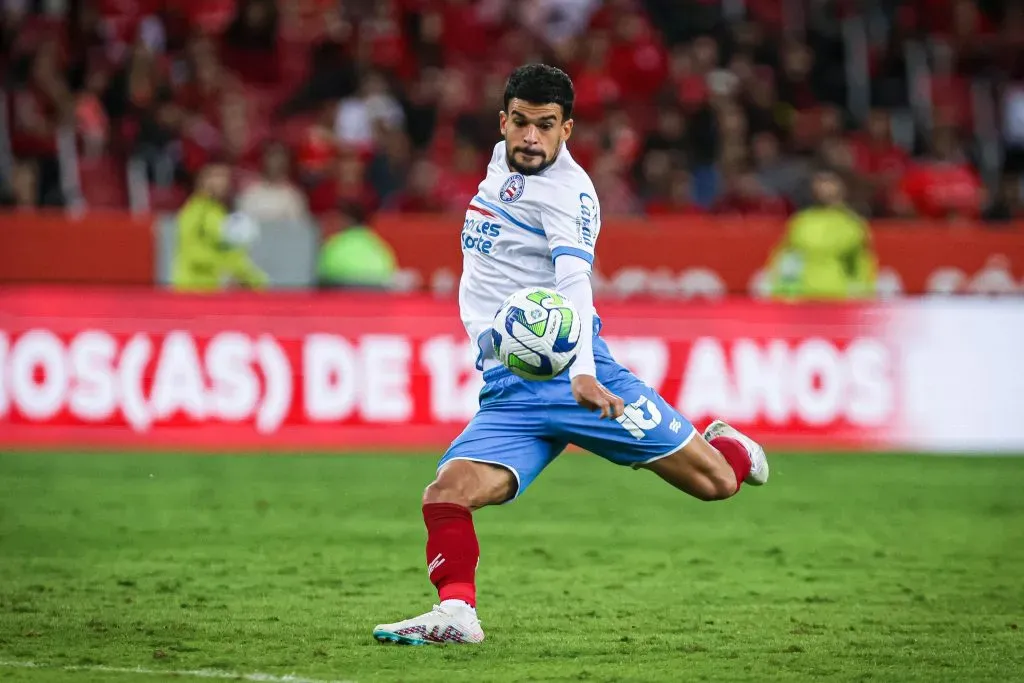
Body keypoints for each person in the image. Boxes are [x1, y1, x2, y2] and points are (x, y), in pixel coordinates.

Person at [372, 65, 769, 646]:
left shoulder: (569, 194)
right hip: (509, 385)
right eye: (522, 123)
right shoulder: (502, 160)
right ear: (504, 121)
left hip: (576, 377)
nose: (531, 137)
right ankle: (456, 615)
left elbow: (575, 283)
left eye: (546, 126)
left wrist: (582, 373)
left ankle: (730, 447)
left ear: (567, 130)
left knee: (714, 486)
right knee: (446, 492)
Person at [767, 168, 877, 300]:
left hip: (839, 296)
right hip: (803, 296)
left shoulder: (852, 225)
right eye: (821, 181)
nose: (824, 187)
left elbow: (862, 264)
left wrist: (863, 294)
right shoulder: (801, 222)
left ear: (842, 187)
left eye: (829, 181)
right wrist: (780, 290)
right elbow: (784, 258)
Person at [171, 162, 268, 292]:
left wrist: (254, 279)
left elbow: (232, 253)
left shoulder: (220, 214)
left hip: (217, 290)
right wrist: (226, 270)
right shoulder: (193, 212)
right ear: (201, 180)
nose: (220, 182)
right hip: (193, 288)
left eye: (224, 177)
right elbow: (192, 252)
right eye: (214, 176)